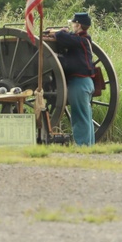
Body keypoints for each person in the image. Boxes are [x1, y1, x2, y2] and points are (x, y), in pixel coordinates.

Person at [45, 12, 97, 146]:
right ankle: (89, 146)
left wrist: (56, 32)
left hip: (79, 84)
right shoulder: (82, 39)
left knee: (79, 117)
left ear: (78, 25)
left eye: (73, 23)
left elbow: (63, 36)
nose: (72, 25)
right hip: (86, 83)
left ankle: (83, 147)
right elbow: (68, 38)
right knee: (86, 116)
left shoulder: (80, 40)